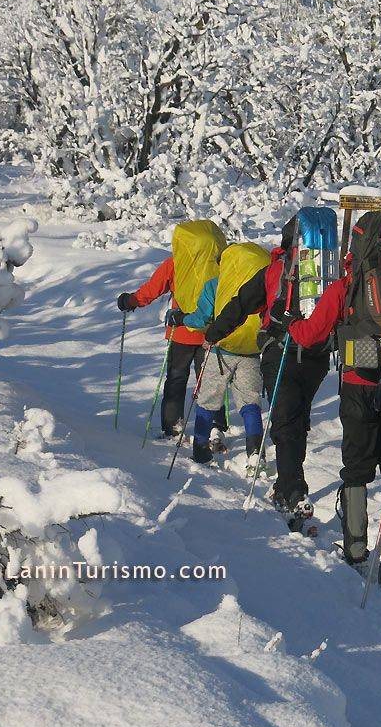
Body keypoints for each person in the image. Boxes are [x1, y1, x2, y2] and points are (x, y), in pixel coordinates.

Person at [281, 210, 381, 568]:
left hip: (360, 382)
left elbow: (310, 335)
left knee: (356, 464)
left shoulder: (346, 285)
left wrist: (290, 323)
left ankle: (354, 545)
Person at [204, 213, 332, 528]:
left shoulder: (274, 270)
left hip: (280, 352)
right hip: (316, 356)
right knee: (297, 419)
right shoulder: (327, 273)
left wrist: (214, 333)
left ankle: (292, 491)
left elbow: (240, 304)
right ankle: (289, 484)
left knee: (285, 424)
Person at [117, 221, 228, 442]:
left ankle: (172, 426)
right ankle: (215, 426)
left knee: (176, 379)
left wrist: (131, 301)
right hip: (214, 332)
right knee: (210, 381)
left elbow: (152, 289)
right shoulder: (221, 264)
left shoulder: (176, 264)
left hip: (181, 332)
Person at [166, 242, 271, 468]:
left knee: (208, 399)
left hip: (220, 349)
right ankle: (255, 454)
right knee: (250, 402)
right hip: (252, 350)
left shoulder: (216, 285)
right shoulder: (262, 285)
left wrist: (181, 319)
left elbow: (201, 319)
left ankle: (201, 450)